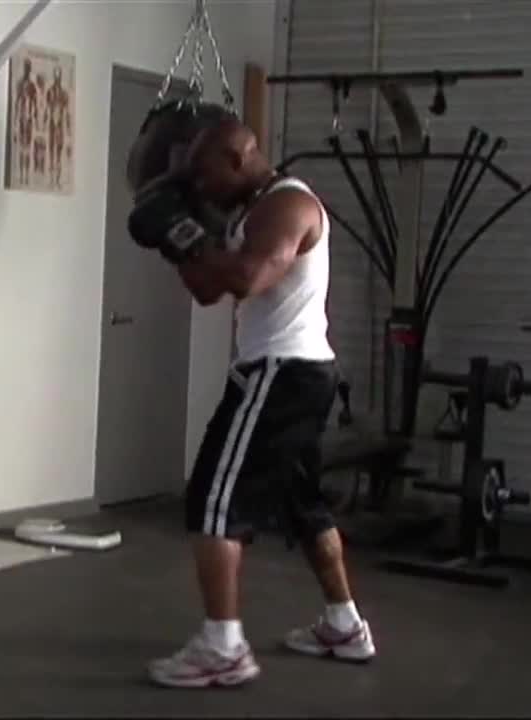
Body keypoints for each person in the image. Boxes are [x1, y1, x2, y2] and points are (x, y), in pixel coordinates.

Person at [129, 105, 376, 689]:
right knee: (304, 504)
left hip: (281, 373)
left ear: (238, 156)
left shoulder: (288, 206)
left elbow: (245, 278)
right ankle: (345, 625)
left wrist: (192, 238)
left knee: (213, 501)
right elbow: (207, 291)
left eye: (205, 173)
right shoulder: (249, 213)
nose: (200, 187)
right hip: (291, 373)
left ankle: (223, 648)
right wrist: (178, 241)